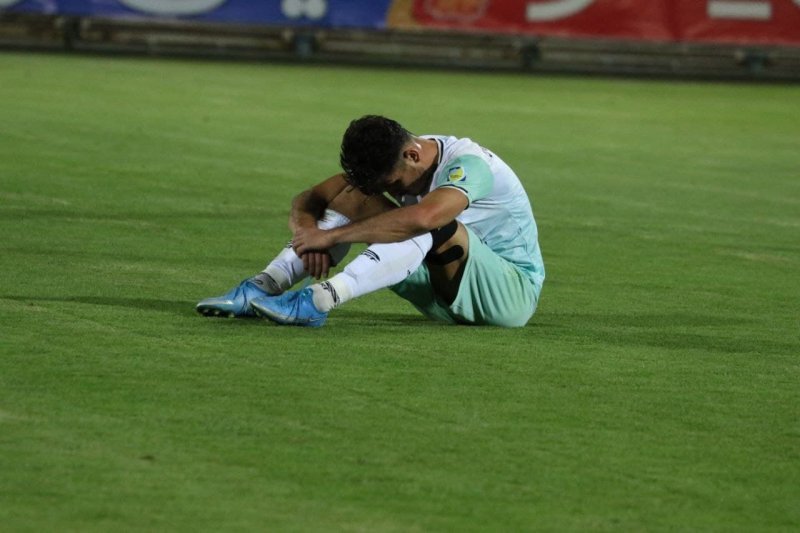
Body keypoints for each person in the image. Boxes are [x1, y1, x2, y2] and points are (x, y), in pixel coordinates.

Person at [196, 115, 544, 327]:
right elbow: (310, 198)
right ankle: (262, 287)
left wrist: (332, 238)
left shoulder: (469, 165)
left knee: (428, 221)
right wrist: (308, 233)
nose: (388, 192)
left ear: (413, 155)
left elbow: (425, 217)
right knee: (351, 196)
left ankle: (319, 301)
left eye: (392, 184)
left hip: (507, 296)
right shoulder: (399, 156)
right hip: (439, 292)